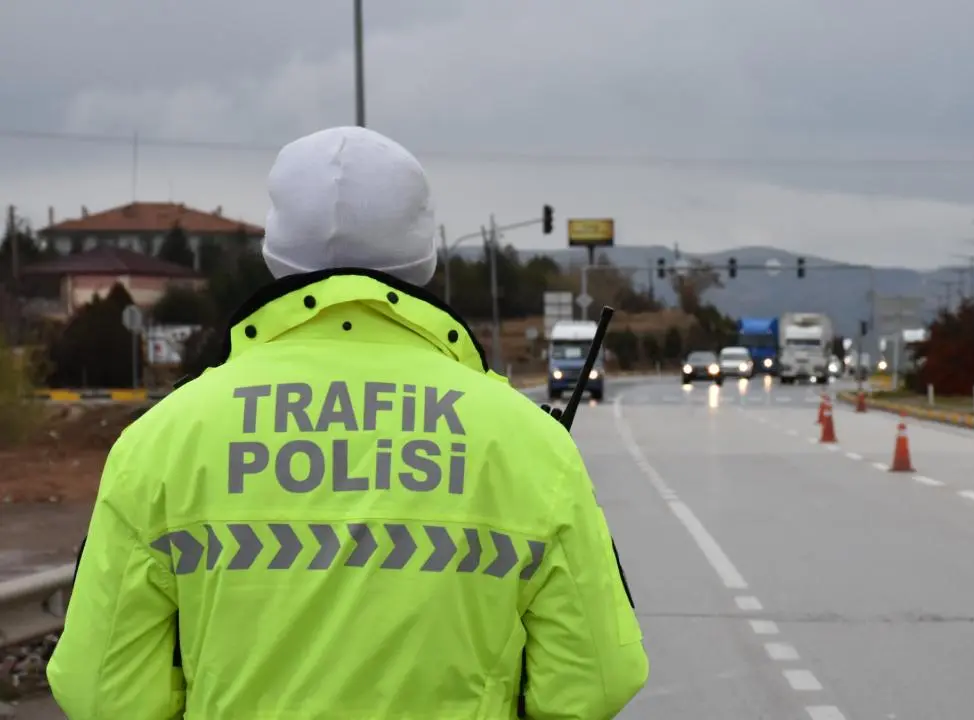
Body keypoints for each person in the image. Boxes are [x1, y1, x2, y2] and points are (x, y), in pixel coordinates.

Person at [46, 126, 649, 719]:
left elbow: (101, 693)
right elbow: (597, 680)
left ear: (274, 250)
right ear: (425, 251)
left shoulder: (162, 441)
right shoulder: (529, 443)